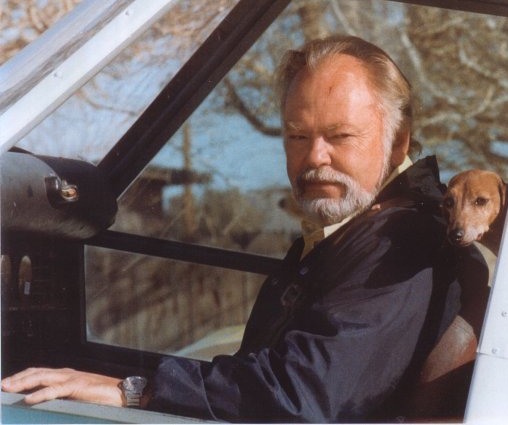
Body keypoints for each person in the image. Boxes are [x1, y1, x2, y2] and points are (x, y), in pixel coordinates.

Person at [2, 36, 469, 422]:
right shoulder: (352, 231)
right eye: (298, 136)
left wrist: (136, 390)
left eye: (340, 136)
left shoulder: (399, 244)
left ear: (398, 143)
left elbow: (301, 397)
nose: (315, 157)